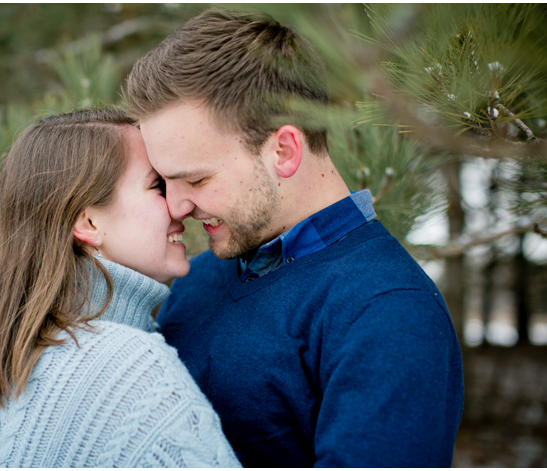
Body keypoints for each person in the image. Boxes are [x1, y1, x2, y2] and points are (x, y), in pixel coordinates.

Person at [124, 9, 464, 467]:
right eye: (165, 182)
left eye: (197, 180)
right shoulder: (197, 277)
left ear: (283, 151)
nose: (177, 206)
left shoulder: (388, 310)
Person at [0, 108, 240, 467]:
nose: (180, 206)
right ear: (88, 221)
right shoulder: (130, 366)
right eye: (157, 186)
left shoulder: (27, 372)